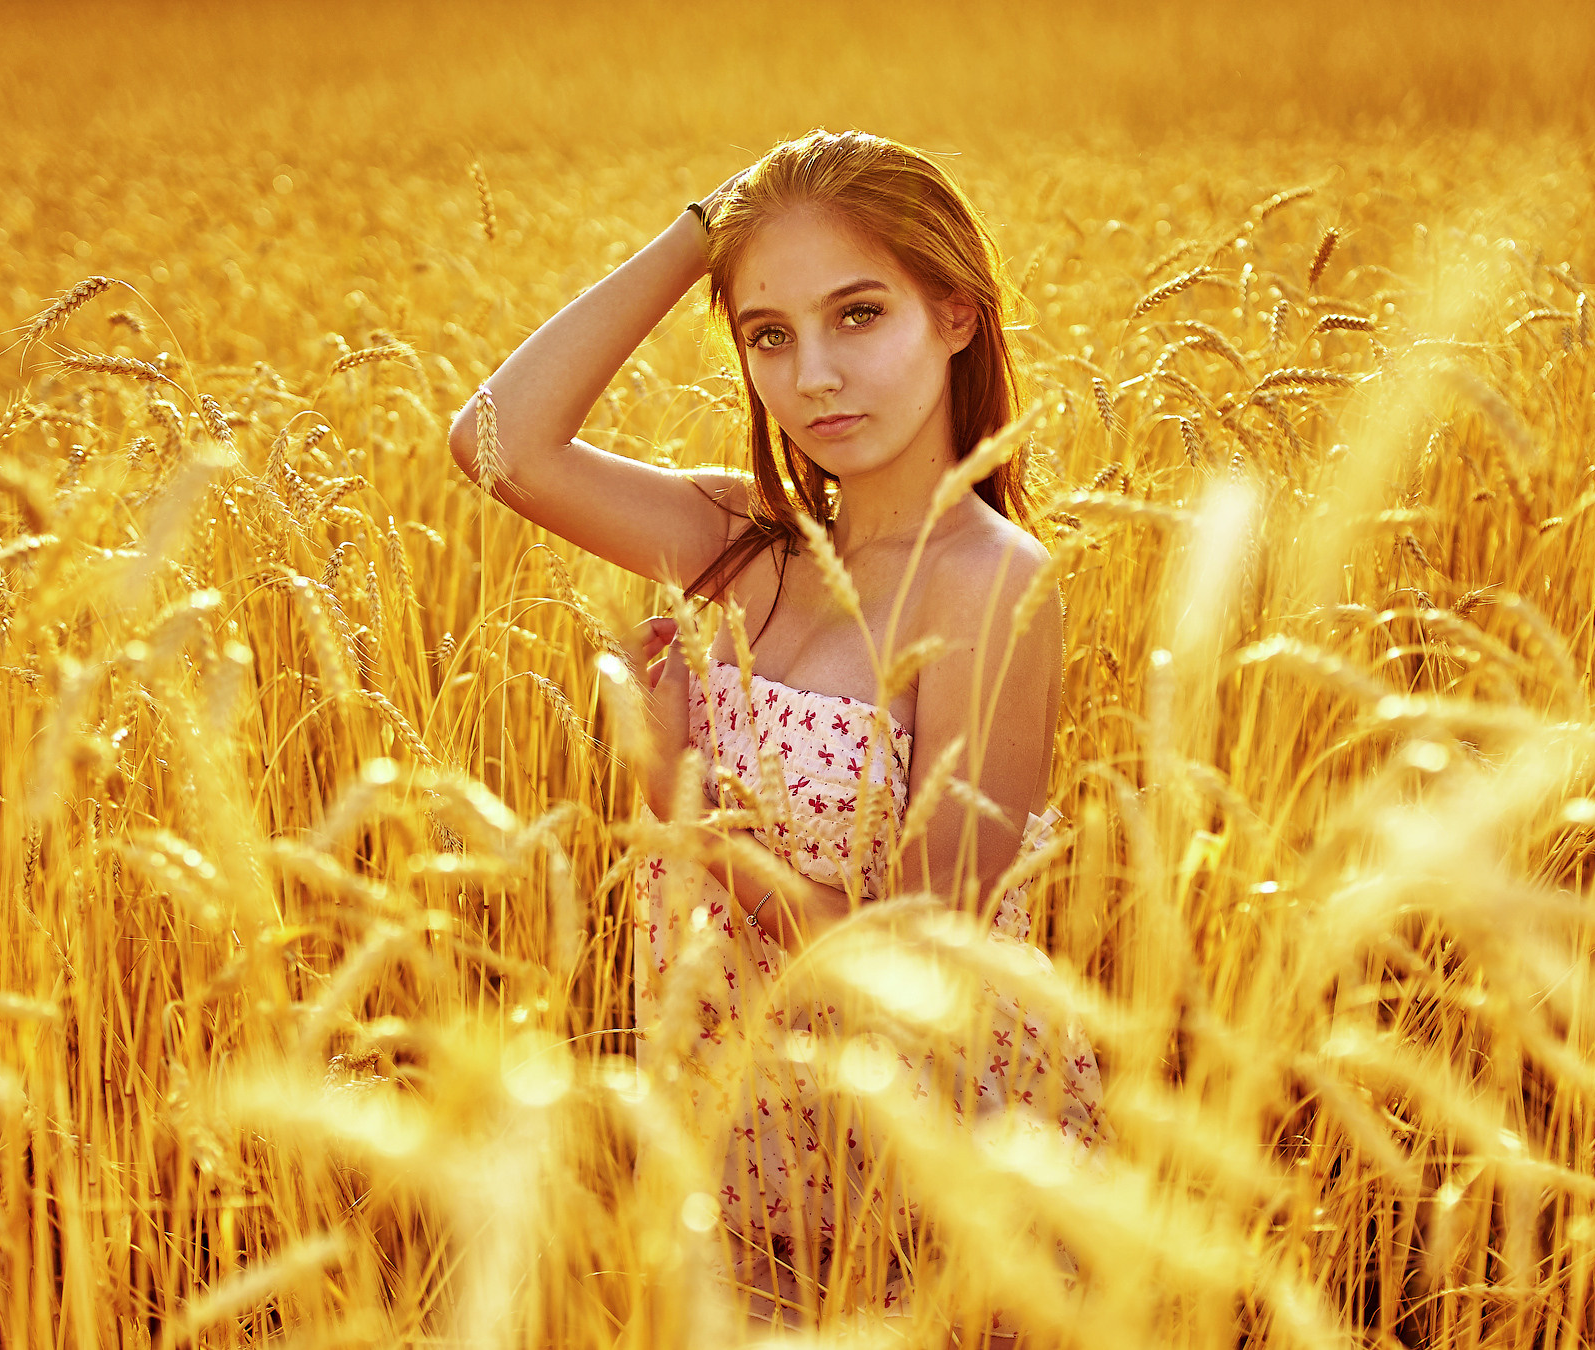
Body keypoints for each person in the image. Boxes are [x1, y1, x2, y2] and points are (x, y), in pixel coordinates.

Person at [446, 128, 1105, 1340]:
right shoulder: (741, 538)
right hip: (729, 1137)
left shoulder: (993, 585)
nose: (813, 377)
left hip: (917, 1175)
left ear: (956, 314)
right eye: (769, 334)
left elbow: (914, 970)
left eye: (860, 315)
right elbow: (497, 443)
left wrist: (677, 793)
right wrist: (711, 226)